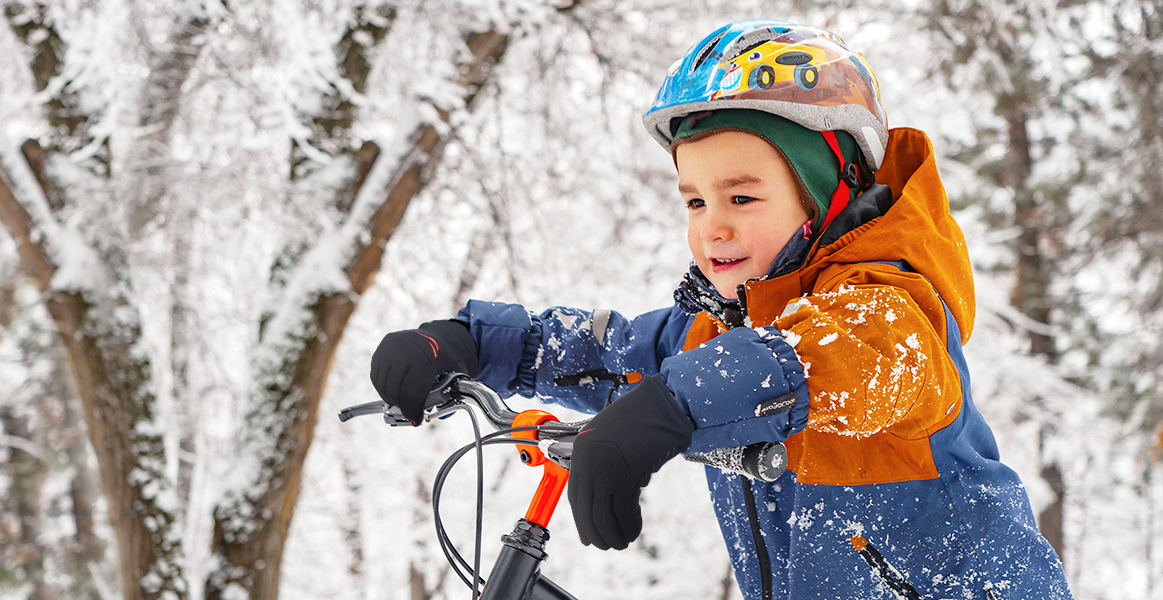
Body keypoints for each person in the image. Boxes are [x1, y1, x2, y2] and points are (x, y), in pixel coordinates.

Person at [369, 19, 1072, 599]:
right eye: (695, 200)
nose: (712, 227)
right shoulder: (718, 332)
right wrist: (468, 343)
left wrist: (673, 405)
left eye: (742, 198)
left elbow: (830, 355)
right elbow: (605, 354)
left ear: (827, 193)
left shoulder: (893, 310)